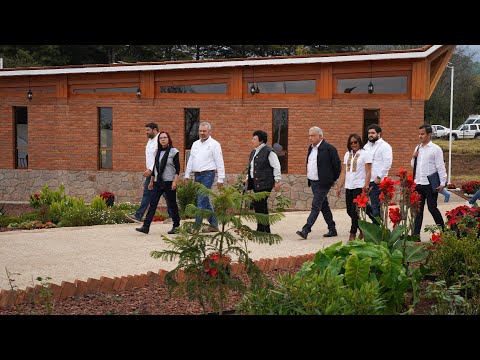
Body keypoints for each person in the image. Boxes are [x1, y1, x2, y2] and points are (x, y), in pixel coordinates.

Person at [296, 126, 341, 240]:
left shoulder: (329, 148)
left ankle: (306, 229)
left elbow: (337, 166)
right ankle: (332, 228)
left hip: (324, 182)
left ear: (320, 136)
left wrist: (332, 179)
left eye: (313, 135)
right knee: (323, 206)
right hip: (313, 182)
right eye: (309, 135)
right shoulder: (310, 148)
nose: (310, 138)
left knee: (316, 205)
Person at [136, 131, 181, 234]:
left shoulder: (174, 152)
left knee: (172, 204)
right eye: (161, 138)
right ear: (159, 140)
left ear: (168, 139)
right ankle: (146, 227)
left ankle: (176, 226)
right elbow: (155, 168)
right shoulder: (157, 152)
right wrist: (151, 181)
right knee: (152, 204)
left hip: (169, 182)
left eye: (165, 137)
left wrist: (175, 182)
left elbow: (177, 169)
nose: (163, 139)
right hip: (157, 182)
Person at [184, 122, 225, 232]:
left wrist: (221, 178)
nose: (202, 133)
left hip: (208, 174)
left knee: (201, 200)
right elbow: (191, 160)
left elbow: (219, 161)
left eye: (204, 131)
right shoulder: (195, 144)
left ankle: (196, 227)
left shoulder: (215, 144)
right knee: (205, 200)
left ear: (209, 132)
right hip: (197, 175)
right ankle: (214, 224)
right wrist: (187, 174)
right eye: (200, 131)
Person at [411, 124, 446, 236]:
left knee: (432, 208)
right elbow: (413, 166)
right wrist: (413, 157)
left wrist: (442, 182)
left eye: (422, 134)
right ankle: (416, 235)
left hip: (430, 184)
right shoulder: (417, 148)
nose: (420, 136)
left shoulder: (435, 149)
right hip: (419, 183)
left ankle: (444, 232)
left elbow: (440, 166)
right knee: (418, 211)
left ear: (429, 134)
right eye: (419, 134)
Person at [336, 134, 372, 242]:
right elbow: (344, 171)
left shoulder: (365, 154)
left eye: (355, 142)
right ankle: (362, 228)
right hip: (349, 185)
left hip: (359, 185)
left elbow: (368, 171)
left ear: (360, 142)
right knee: (349, 211)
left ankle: (352, 233)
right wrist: (339, 186)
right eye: (351, 143)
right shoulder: (347, 154)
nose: (353, 144)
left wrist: (366, 185)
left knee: (354, 210)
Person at [246, 130, 281, 233]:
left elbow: (276, 166)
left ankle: (262, 228)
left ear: (261, 140)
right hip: (256, 183)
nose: (252, 141)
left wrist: (277, 180)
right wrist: (248, 178)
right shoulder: (253, 152)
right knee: (261, 205)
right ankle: (264, 228)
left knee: (260, 204)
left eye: (254, 139)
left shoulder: (269, 151)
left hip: (265, 183)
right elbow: (252, 167)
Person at [127, 123, 159, 223]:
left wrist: (150, 169)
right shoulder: (150, 141)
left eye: (148, 130)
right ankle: (139, 215)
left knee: (167, 194)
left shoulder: (159, 140)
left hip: (158, 172)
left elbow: (159, 158)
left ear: (154, 130)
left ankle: (173, 216)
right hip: (151, 172)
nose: (146, 132)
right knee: (147, 193)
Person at [363, 124, 393, 224]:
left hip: (378, 182)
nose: (370, 135)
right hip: (367, 181)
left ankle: (378, 230)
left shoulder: (385, 146)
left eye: (373, 133)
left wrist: (379, 177)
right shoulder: (366, 146)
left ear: (379, 134)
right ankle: (377, 224)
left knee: (376, 207)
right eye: (369, 133)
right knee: (364, 205)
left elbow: (387, 163)